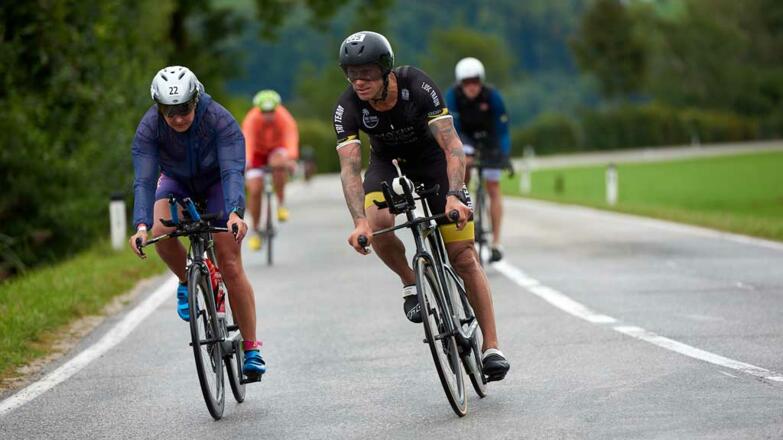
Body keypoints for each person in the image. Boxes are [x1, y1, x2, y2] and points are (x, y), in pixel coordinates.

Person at [332, 31, 510, 381]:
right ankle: (410, 281)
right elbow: (350, 168)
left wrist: (455, 193)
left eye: (366, 72)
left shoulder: (417, 85)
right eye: (351, 74)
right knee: (378, 223)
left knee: (463, 256)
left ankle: (491, 347)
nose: (359, 81)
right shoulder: (347, 106)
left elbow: (452, 146)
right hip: (387, 165)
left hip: (433, 163)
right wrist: (359, 221)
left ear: (385, 69)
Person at [129, 66, 266, 378]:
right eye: (169, 112)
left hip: (217, 182)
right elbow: (144, 180)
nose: (178, 118)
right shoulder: (149, 127)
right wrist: (140, 226)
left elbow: (232, 170)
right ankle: (185, 279)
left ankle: (251, 348)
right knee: (161, 230)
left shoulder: (218, 119)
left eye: (184, 110)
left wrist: (235, 213)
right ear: (158, 108)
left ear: (195, 100)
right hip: (176, 181)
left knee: (230, 263)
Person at [445, 57, 511, 263]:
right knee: (462, 173)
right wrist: (464, 155)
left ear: (481, 81)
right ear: (460, 83)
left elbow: (502, 129)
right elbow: (452, 128)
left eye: (475, 81)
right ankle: (464, 208)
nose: (471, 86)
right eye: (467, 82)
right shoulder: (452, 97)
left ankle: (496, 242)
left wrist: (503, 154)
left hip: (489, 140)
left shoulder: (492, 96)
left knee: (493, 186)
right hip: (464, 139)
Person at [241, 89, 299, 251]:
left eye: (271, 111)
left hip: (276, 149)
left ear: (277, 108)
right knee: (254, 189)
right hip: (257, 152)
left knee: (279, 164)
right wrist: (247, 162)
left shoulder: (284, 117)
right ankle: (255, 230)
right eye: (264, 112)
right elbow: (248, 141)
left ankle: (280, 203)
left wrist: (291, 158)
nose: (268, 115)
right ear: (258, 110)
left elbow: (291, 136)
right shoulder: (251, 119)